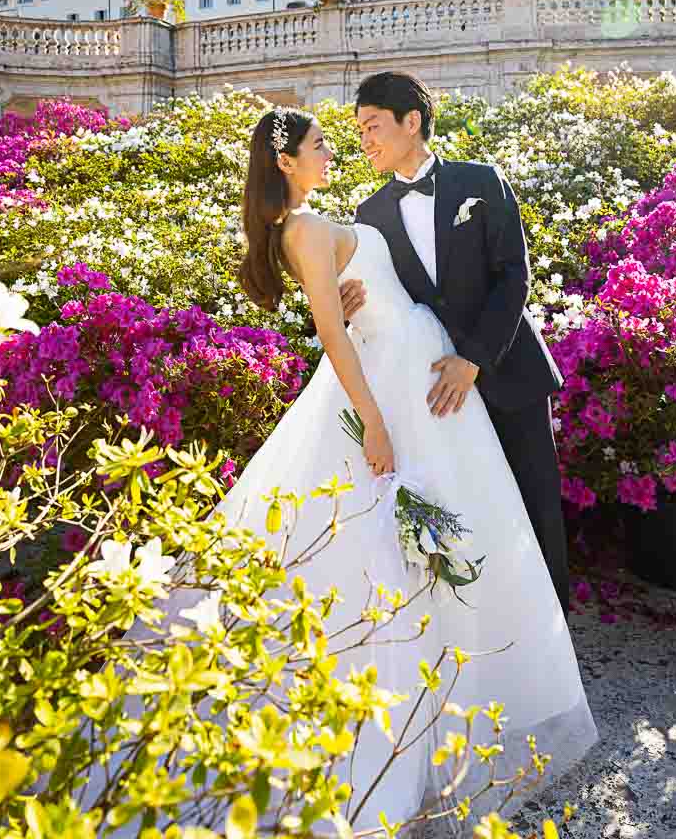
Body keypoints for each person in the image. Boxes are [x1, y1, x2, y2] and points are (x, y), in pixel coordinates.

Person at [224, 105, 595, 824]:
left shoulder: (320, 219)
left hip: (420, 375)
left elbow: (357, 295)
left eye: (346, 135)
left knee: (464, 529)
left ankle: (472, 696)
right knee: (408, 545)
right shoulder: (300, 226)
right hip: (393, 388)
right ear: (285, 162)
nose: (336, 149)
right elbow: (332, 335)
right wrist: (373, 423)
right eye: (321, 143)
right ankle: (419, 725)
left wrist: (354, 291)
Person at [346, 71, 571, 616]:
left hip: (508, 371)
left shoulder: (482, 181)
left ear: (412, 121)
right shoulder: (368, 217)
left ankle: (556, 638)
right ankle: (497, 632)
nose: (365, 141)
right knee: (472, 509)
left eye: (373, 125)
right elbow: (380, 300)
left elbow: (514, 277)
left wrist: (473, 359)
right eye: (358, 132)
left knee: (535, 503)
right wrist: (345, 304)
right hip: (436, 394)